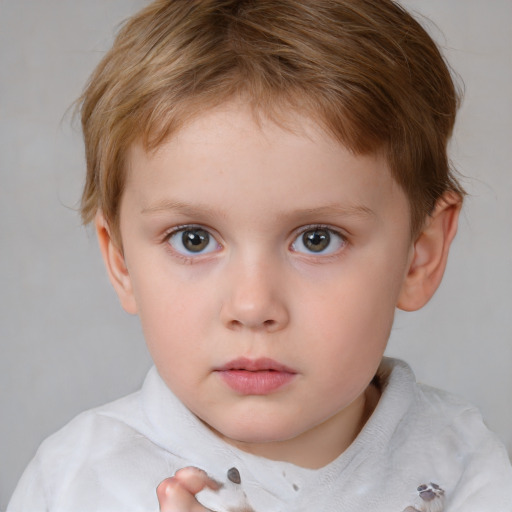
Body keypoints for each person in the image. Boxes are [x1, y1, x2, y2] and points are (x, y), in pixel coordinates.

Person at [7, 0, 512, 511]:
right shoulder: (76, 482)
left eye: (317, 239)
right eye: (193, 239)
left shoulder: (463, 469)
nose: (252, 306)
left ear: (418, 256)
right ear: (121, 261)